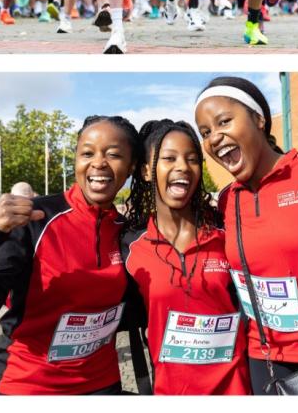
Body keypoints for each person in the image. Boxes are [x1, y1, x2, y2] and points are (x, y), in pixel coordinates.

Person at [0, 116, 139, 394]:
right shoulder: (36, 219)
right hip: (31, 385)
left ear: (131, 167)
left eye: (113, 154)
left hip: (102, 384)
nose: (99, 163)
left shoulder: (128, 232)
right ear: (76, 161)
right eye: (87, 153)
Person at [194, 77, 298, 394]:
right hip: (264, 363)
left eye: (224, 121)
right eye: (205, 132)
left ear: (259, 120)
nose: (214, 137)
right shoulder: (224, 201)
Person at [122, 119, 250, 394]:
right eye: (169, 158)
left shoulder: (226, 233)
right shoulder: (130, 247)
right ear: (146, 171)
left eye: (192, 159)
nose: (182, 166)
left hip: (237, 389)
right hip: (171, 392)